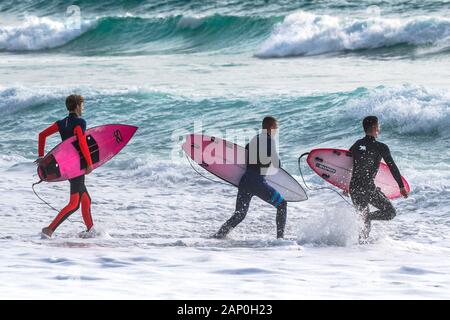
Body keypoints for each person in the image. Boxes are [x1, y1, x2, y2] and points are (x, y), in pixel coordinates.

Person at [213, 116, 287, 239]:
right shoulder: (269, 141)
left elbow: (245, 152)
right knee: (282, 205)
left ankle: (218, 235)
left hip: (245, 181)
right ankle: (280, 239)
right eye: (276, 128)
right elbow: (276, 164)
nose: (276, 131)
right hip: (257, 182)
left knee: (240, 214)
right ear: (271, 128)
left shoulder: (254, 139)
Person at [36, 94, 94, 238]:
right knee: (74, 203)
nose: (83, 108)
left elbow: (41, 135)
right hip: (77, 165)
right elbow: (81, 141)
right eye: (82, 105)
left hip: (66, 165)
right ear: (77, 106)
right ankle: (49, 229)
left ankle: (91, 231)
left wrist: (41, 156)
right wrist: (89, 163)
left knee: (86, 200)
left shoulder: (61, 123)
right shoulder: (80, 122)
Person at [348, 116, 408, 241]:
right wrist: (401, 186)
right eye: (378, 126)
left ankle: (361, 246)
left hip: (354, 188)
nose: (379, 128)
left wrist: (344, 186)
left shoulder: (356, 144)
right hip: (367, 188)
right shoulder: (380, 147)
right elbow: (392, 167)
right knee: (390, 212)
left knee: (364, 223)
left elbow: (346, 164)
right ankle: (367, 217)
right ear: (375, 128)